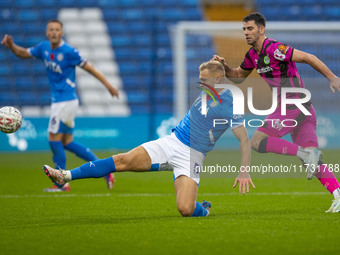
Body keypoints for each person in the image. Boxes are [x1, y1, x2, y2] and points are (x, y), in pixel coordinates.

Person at [43, 61, 255, 217]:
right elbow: (219, 70)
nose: (200, 83)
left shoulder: (229, 103)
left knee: (185, 209)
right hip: (171, 142)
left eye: (204, 79)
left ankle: (203, 209)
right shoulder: (209, 87)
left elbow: (244, 140)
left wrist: (244, 170)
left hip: (193, 156)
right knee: (122, 160)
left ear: (217, 80)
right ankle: (66, 176)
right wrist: (220, 62)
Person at [212, 12, 340, 213]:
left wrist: (332, 77)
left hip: (292, 104)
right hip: (303, 109)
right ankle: (338, 195)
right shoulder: (253, 56)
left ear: (261, 29)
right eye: (244, 29)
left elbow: (308, 57)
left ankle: (306, 153)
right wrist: (225, 66)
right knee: (313, 163)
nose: (246, 33)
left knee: (256, 141)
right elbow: (237, 76)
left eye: (250, 28)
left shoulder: (274, 49)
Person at [1, 19, 118, 192]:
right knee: (67, 142)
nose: (54, 32)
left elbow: (90, 68)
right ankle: (105, 170)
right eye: (51, 30)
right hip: (61, 102)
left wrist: (108, 85)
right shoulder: (43, 48)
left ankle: (62, 183)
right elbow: (23, 53)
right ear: (47, 33)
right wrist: (11, 46)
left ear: (62, 33)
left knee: (53, 140)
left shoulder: (69, 52)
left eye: (57, 30)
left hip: (66, 101)